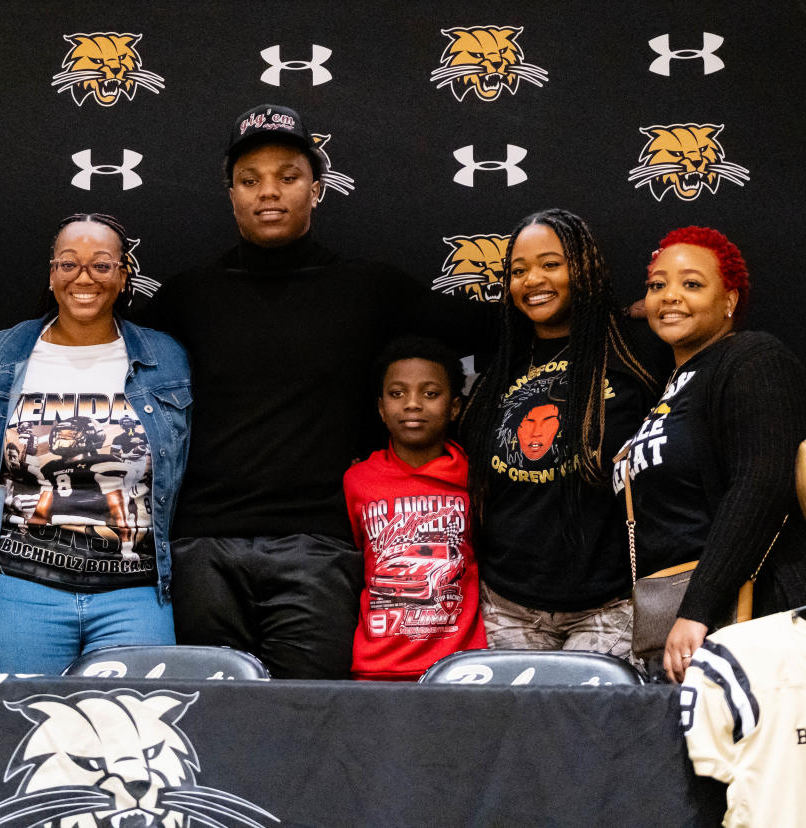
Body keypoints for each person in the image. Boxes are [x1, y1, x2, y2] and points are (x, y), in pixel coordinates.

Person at [131, 103, 495, 679]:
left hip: (318, 547)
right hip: (203, 546)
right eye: (250, 181)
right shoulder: (189, 295)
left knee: (311, 719)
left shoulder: (369, 288)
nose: (268, 193)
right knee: (212, 724)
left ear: (318, 189)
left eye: (288, 176)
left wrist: (618, 322)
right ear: (231, 194)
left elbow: (495, 329)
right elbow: (93, 345)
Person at [0, 213, 191, 675]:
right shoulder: (3, 353)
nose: (83, 277)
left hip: (133, 591)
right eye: (69, 264)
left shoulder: (165, 357)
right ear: (52, 274)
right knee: (26, 731)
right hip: (20, 588)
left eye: (101, 265)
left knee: (133, 730)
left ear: (124, 277)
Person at [613, 226, 806, 682]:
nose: (670, 296)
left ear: (730, 301)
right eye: (658, 286)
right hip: (692, 622)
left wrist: (698, 609)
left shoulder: (752, 359)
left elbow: (762, 485)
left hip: (758, 615)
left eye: (691, 284)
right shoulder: (674, 387)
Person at [459, 208, 661, 657]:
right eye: (518, 270)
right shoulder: (504, 362)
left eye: (551, 264)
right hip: (506, 605)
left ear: (583, 269)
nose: (532, 280)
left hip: (607, 607)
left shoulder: (636, 351)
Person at [346, 337, 487, 681]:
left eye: (430, 393)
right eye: (397, 394)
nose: (412, 405)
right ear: (380, 409)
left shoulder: (475, 478)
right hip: (377, 666)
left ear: (454, 407)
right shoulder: (358, 479)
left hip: (460, 667)